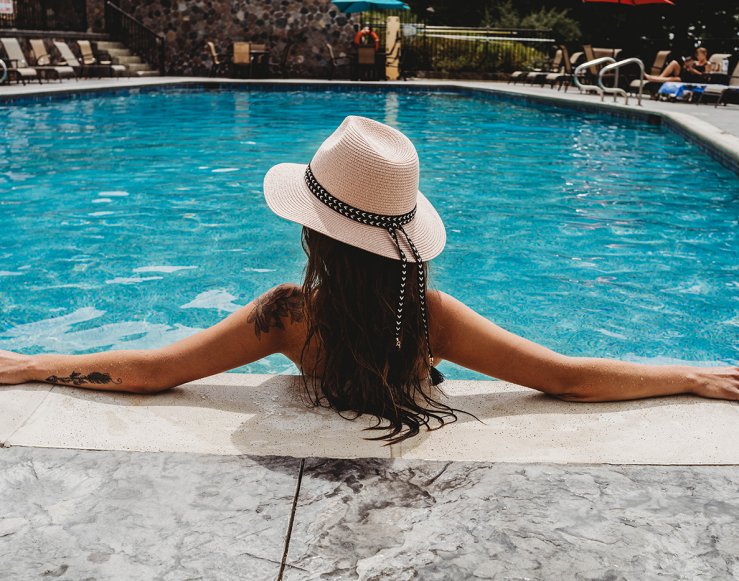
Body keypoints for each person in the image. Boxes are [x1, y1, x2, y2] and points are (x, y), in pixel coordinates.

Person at [0, 117, 737, 444]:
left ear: (315, 231)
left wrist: (32, 364)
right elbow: (566, 377)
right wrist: (687, 377)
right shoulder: (431, 317)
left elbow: (155, 369)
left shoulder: (289, 315)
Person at [644, 47, 713, 83]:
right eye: (697, 54)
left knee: (671, 79)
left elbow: (705, 77)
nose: (697, 56)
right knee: (674, 62)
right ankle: (659, 78)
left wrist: (693, 71)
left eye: (699, 54)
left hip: (693, 79)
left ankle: (653, 79)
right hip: (686, 74)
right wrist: (686, 66)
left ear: (705, 54)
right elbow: (687, 68)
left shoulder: (707, 64)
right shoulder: (695, 62)